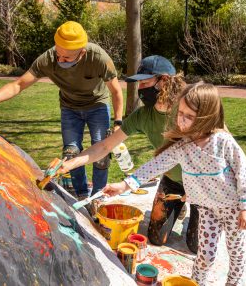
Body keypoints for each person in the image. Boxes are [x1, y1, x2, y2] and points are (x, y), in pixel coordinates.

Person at [103, 83, 246, 286]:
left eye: (189, 116)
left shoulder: (223, 142)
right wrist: (124, 185)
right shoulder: (182, 146)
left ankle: (233, 283)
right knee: (204, 255)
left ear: (207, 117)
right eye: (180, 113)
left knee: (236, 251)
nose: (181, 120)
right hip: (207, 209)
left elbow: (243, 173)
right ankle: (196, 283)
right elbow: (154, 166)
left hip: (232, 208)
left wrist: (245, 207)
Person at [58, 55, 199, 252]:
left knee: (196, 246)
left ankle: (193, 212)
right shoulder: (143, 115)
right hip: (172, 180)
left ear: (164, 81)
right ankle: (179, 207)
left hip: (203, 182)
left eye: (145, 83)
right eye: (138, 84)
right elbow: (105, 146)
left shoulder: (190, 109)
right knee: (157, 239)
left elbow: (222, 140)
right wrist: (70, 163)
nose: (140, 89)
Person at [0, 21, 123, 200]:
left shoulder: (98, 57)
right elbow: (19, 84)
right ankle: (83, 196)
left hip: (97, 106)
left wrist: (118, 123)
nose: (60, 60)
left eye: (66, 58)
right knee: (71, 154)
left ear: (82, 53)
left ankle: (98, 197)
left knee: (102, 155)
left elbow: (116, 91)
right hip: (69, 108)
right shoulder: (48, 58)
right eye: (58, 53)